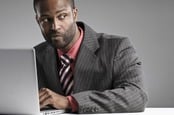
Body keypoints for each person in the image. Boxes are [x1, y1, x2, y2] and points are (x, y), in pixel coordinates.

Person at [33, 0, 148, 113]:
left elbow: (136, 95)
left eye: (62, 16)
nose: (55, 26)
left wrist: (69, 102)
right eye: (46, 19)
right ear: (38, 21)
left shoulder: (117, 47)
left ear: (74, 14)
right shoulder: (35, 55)